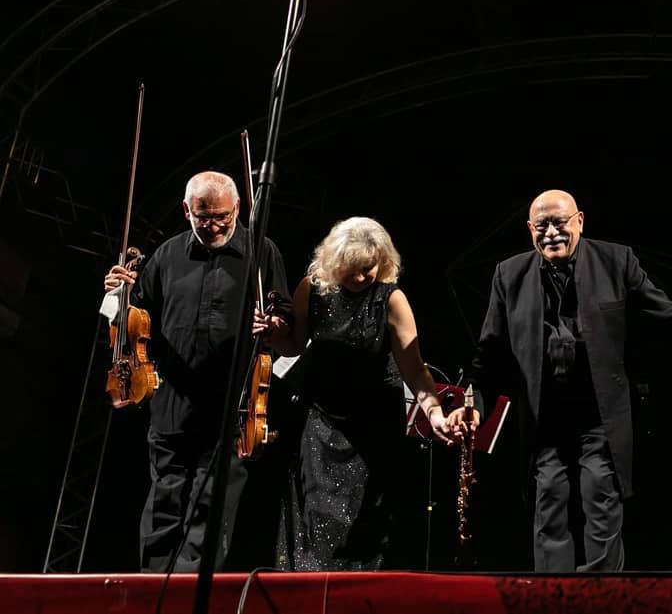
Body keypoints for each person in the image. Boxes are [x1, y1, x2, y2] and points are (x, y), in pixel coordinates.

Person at [446, 189, 672, 572]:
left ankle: (601, 597)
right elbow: (489, 357)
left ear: (579, 221)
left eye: (560, 223)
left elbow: (671, 322)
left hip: (600, 416)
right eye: (541, 226)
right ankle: (554, 597)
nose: (551, 233)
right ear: (530, 229)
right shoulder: (509, 275)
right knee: (549, 503)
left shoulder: (616, 261)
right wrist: (472, 408)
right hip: (544, 420)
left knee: (600, 495)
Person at [102, 170, 292, 572]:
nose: (214, 226)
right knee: (164, 500)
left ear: (238, 208)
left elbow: (286, 324)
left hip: (232, 404)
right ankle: (154, 586)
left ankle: (191, 591)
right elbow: (133, 320)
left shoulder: (262, 251)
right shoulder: (167, 254)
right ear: (186, 210)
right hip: (173, 400)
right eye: (203, 217)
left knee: (211, 508)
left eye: (223, 216)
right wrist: (117, 296)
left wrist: (274, 327)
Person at [256, 216, 453, 571]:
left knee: (368, 524)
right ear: (335, 263)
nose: (361, 278)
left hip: (375, 425)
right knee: (317, 518)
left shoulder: (391, 299)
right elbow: (292, 346)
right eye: (352, 270)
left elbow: (414, 368)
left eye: (368, 269)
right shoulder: (312, 289)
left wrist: (434, 412)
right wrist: (274, 333)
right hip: (322, 420)